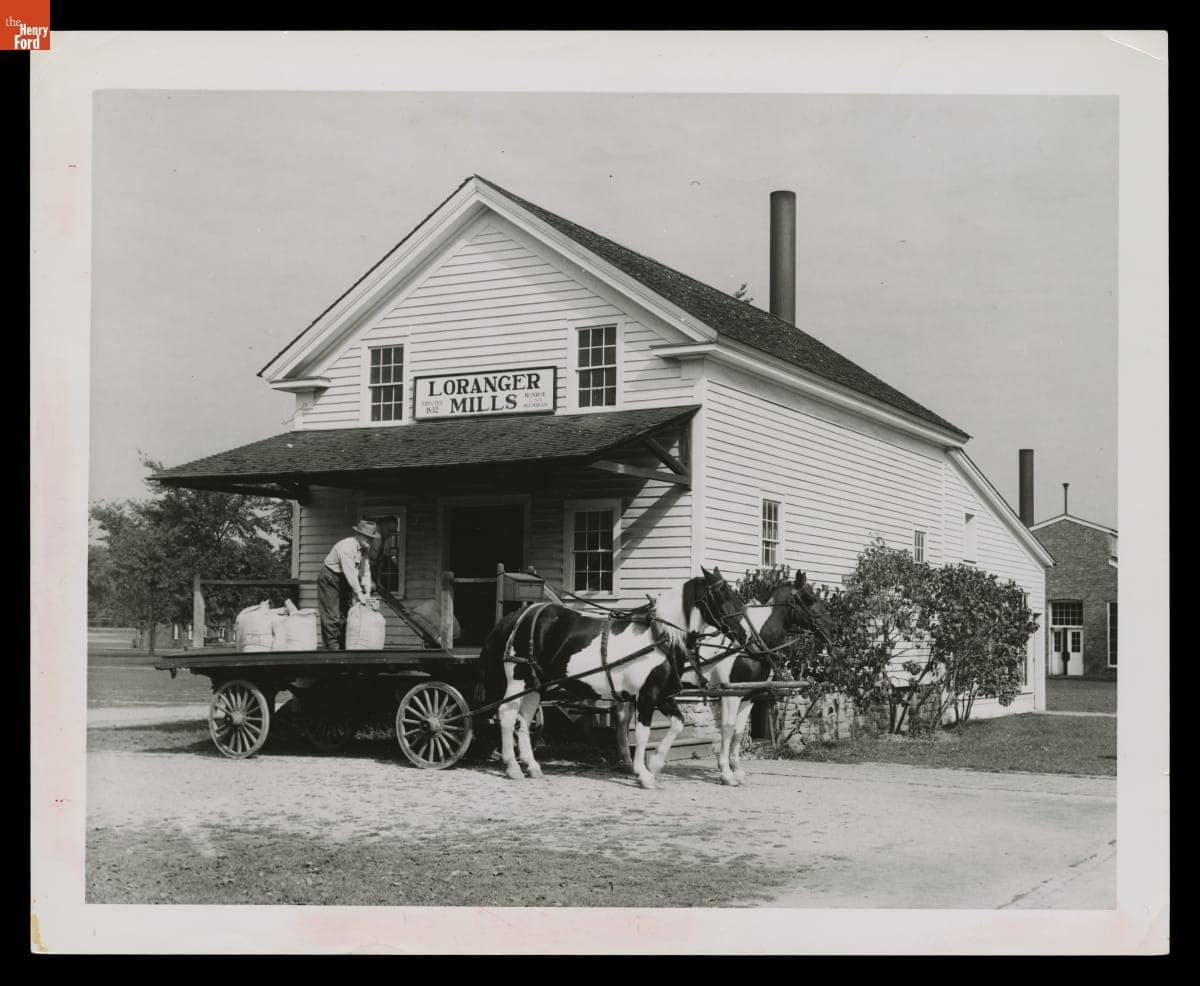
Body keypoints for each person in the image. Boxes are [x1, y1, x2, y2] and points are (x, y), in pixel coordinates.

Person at [317, 519, 377, 650]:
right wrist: (359, 593)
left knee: (346, 614)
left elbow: (365, 572)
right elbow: (350, 573)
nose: (369, 541)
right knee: (332, 616)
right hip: (330, 578)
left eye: (371, 538)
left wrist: (367, 593)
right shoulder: (347, 546)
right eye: (367, 537)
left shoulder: (364, 550)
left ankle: (344, 649)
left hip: (344, 580)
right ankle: (332, 651)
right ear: (359, 535)